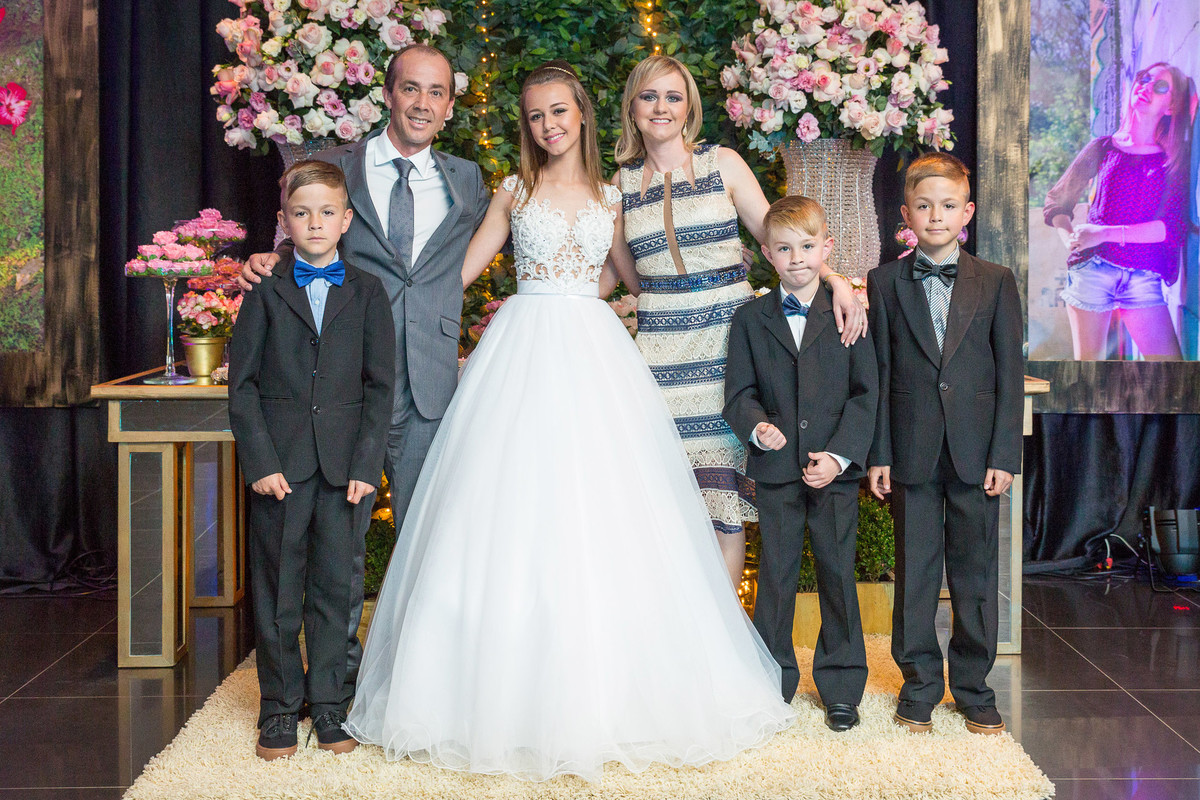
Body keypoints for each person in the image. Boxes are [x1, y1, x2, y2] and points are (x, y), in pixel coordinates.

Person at [344, 61, 795, 782]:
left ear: (582, 114)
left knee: (607, 504)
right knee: (510, 506)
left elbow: (629, 271)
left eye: (559, 111)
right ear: (525, 126)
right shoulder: (513, 191)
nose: (548, 125)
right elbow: (453, 274)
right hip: (519, 348)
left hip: (592, 350)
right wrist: (365, 306)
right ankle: (495, 689)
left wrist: (594, 295)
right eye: (535, 116)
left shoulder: (613, 193)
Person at [237, 44, 491, 702]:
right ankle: (338, 683)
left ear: (450, 105)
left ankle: (418, 682)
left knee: (427, 537)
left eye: (436, 92)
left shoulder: (467, 180)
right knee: (337, 542)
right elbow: (306, 232)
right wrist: (268, 261)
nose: (423, 103)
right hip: (342, 387)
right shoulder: (341, 168)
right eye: (411, 88)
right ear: (388, 93)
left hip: (432, 380)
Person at [613, 55, 868, 586]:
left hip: (727, 345)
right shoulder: (618, 185)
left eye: (673, 97)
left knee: (723, 505)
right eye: (649, 96)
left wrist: (838, 280)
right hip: (660, 354)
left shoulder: (722, 163)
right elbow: (628, 279)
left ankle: (721, 652)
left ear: (689, 109)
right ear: (632, 107)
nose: (661, 107)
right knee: (664, 501)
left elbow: (781, 239)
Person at [228, 160, 395, 759]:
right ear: (283, 222)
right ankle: (278, 708)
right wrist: (260, 461)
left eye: (327, 212)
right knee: (277, 589)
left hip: (343, 470)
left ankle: (328, 703)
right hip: (281, 470)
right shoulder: (265, 291)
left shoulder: (369, 292)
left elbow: (380, 387)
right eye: (302, 213)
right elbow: (242, 386)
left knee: (335, 588)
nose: (315, 222)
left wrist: (364, 465)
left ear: (347, 220)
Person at [866, 152, 1023, 735]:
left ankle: (974, 686)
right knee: (915, 572)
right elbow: (878, 376)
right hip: (910, 450)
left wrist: (1005, 454)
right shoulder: (883, 283)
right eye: (924, 206)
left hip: (976, 453)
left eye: (949, 206)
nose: (937, 215)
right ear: (905, 213)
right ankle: (919, 684)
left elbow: (1010, 370)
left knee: (974, 573)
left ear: (968, 212)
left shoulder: (995, 281)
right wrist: (878, 452)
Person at [723, 196, 877, 732]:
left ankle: (840, 687)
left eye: (807, 247)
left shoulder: (849, 311)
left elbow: (865, 394)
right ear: (767, 253)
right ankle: (774, 681)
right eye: (784, 249)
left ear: (826, 248)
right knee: (776, 578)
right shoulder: (750, 319)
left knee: (837, 576)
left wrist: (838, 457)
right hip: (776, 472)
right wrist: (757, 429)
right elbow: (738, 394)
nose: (796, 259)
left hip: (833, 474)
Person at [1044, 61, 1192, 360]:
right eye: (1145, 79)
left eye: (1160, 86)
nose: (1146, 87)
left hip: (1143, 276)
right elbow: (1057, 201)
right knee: (1089, 379)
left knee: (1171, 379)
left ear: (1172, 106)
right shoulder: (1104, 147)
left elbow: (1170, 228)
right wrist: (1071, 240)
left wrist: (1103, 233)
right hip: (1092, 271)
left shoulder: (1173, 158)